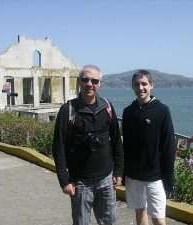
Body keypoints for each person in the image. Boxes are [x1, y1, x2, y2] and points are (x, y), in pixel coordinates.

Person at [52, 65, 124, 225]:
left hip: (106, 179)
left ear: (100, 83)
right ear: (79, 81)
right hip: (80, 182)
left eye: (94, 80)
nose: (89, 84)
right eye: (85, 79)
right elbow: (58, 148)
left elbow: (116, 141)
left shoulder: (107, 106)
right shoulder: (68, 110)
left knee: (108, 222)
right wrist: (64, 181)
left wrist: (119, 171)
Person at [122, 70, 176, 225]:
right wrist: (124, 173)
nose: (141, 88)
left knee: (159, 217)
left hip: (155, 176)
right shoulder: (128, 112)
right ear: (132, 86)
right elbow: (126, 145)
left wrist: (168, 177)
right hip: (133, 175)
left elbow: (168, 146)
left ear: (151, 85)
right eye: (137, 84)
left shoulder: (162, 110)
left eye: (144, 84)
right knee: (140, 212)